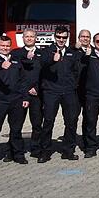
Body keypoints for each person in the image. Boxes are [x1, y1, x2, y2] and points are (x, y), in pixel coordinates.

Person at [0, 35, 29, 167]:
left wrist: (25, 97)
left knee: (16, 130)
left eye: (7, 46)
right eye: (2, 45)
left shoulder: (16, 60)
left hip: (16, 100)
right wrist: (1, 64)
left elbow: (23, 80)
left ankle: (18, 155)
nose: (5, 48)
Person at [36, 26, 82, 162]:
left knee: (71, 121)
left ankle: (68, 150)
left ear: (67, 38)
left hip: (68, 91)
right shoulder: (46, 51)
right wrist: (52, 59)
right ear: (54, 37)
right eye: (59, 37)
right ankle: (45, 152)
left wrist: (73, 85)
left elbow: (76, 70)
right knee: (48, 121)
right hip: (51, 91)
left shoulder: (71, 52)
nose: (61, 39)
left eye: (64, 37)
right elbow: (41, 63)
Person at [10, 29, 43, 158]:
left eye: (31, 36)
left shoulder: (42, 53)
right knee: (16, 125)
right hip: (20, 94)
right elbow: (14, 74)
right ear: (23, 38)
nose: (29, 38)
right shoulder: (16, 53)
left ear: (36, 38)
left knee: (37, 124)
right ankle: (14, 151)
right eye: (26, 36)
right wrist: (24, 89)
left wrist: (37, 88)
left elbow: (45, 74)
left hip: (36, 94)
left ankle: (36, 149)